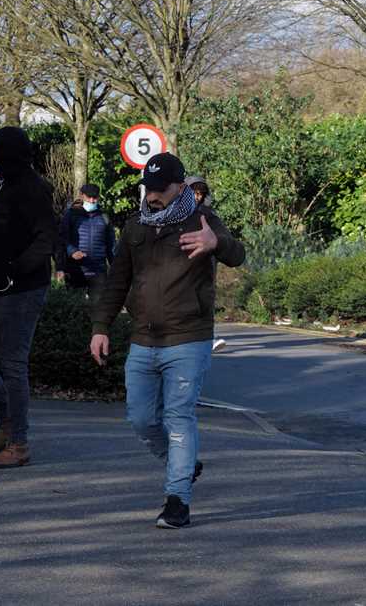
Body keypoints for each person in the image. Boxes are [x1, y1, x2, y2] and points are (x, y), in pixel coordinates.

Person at [89, 152, 245, 529]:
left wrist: (215, 244)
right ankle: (185, 465)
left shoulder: (203, 220)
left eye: (160, 189)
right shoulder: (135, 227)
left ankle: (177, 499)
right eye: (148, 189)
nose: (152, 196)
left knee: (179, 417)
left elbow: (237, 254)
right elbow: (117, 281)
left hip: (188, 338)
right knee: (141, 419)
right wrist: (100, 327)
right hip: (143, 339)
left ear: (179, 187)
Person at [0, 126, 58, 470]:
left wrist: (15, 270)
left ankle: (19, 443)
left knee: (13, 363)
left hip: (21, 291)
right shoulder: (4, 186)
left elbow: (45, 239)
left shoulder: (33, 189)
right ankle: (6, 419)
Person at [186, 175, 226, 354]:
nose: (198, 197)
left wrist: (217, 244)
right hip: (184, 266)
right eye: (194, 193)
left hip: (206, 265)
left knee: (205, 300)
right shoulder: (174, 214)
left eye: (201, 193)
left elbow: (226, 240)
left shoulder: (210, 215)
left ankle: (208, 339)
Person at [61, 184, 115, 302]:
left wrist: (116, 267)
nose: (92, 200)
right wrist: (72, 251)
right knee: (74, 308)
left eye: (95, 197)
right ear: (82, 195)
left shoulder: (104, 217)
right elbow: (62, 238)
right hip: (75, 269)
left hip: (98, 271)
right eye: (89, 197)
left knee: (98, 309)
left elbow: (111, 245)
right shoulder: (70, 215)